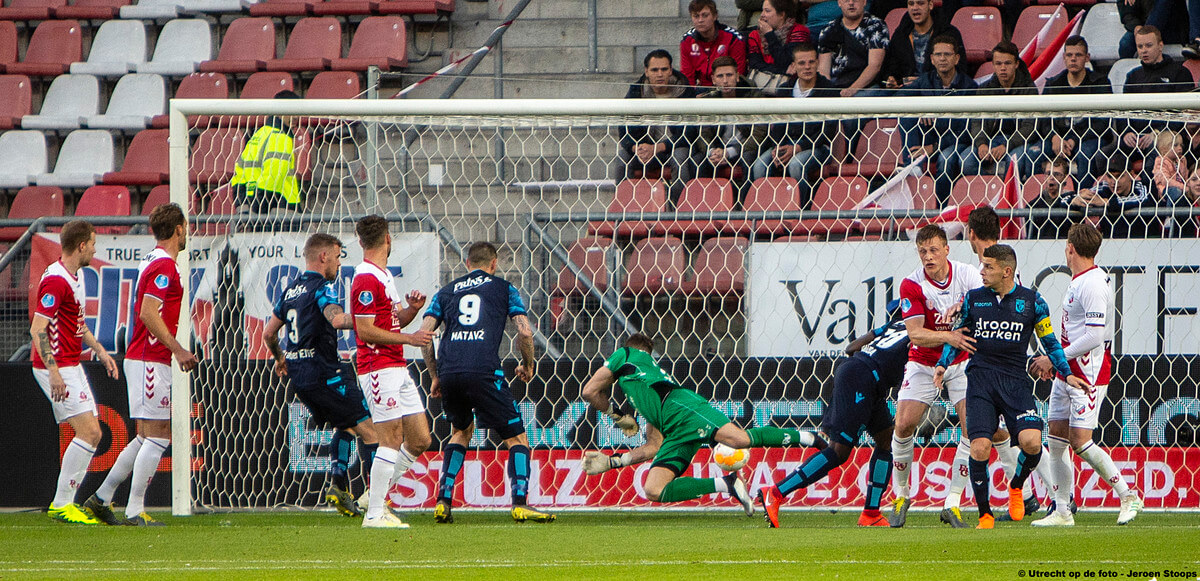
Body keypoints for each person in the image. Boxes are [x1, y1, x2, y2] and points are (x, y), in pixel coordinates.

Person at [933, 244, 1088, 528]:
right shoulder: (973, 299)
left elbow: (1050, 343)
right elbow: (959, 336)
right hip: (980, 380)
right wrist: (943, 363)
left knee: (1031, 443)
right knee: (979, 447)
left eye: (988, 267)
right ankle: (985, 515)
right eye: (982, 266)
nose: (982, 271)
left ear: (1006, 271)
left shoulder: (1032, 302)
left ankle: (1016, 485)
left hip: (1015, 381)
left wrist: (1066, 373)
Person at [580, 334, 826, 512]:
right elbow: (653, 448)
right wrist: (614, 462)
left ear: (633, 351)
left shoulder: (625, 355)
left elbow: (590, 391)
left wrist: (619, 417)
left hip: (682, 407)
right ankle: (727, 484)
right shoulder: (646, 390)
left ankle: (809, 437)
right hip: (675, 430)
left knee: (738, 439)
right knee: (653, 489)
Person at [419, 242, 555, 524]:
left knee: (460, 432)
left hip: (450, 371)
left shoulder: (445, 292)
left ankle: (443, 501)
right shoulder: (504, 288)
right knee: (517, 438)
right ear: (494, 264)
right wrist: (528, 365)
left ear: (466, 263)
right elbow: (525, 332)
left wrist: (435, 375)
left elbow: (424, 334)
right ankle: (520, 503)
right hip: (483, 371)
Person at [84, 203, 199, 527]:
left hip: (145, 357)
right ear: (178, 229)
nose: (187, 232)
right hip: (151, 358)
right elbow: (149, 313)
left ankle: (102, 498)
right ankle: (135, 509)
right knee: (159, 434)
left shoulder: (153, 260)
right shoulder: (164, 266)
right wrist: (177, 349)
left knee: (146, 435)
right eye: (185, 227)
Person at [1030, 223, 1144, 527]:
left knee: (1080, 441)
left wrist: (1053, 358)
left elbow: (1094, 337)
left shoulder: (1092, 284)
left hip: (1089, 373)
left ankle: (1128, 494)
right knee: (1055, 439)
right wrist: (1058, 364)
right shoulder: (1080, 280)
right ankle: (1062, 511)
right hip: (1067, 371)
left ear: (1070, 248)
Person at [758, 301, 908, 528]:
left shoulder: (890, 327)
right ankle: (776, 492)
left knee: (886, 439)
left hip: (864, 376)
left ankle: (871, 513)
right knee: (838, 451)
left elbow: (850, 348)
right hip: (863, 379)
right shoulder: (919, 334)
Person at [262, 233, 378, 517]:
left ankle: (338, 485)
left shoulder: (290, 291)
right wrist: (373, 321)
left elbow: (268, 333)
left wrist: (280, 358)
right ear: (323, 257)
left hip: (300, 377)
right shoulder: (320, 287)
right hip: (326, 372)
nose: (339, 264)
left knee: (346, 425)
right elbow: (336, 319)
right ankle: (378, 500)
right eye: (338, 257)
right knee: (372, 432)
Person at [888, 224, 981, 528]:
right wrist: (950, 337)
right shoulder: (911, 285)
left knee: (972, 428)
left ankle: (952, 503)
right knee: (903, 424)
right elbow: (915, 335)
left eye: (933, 250)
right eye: (922, 251)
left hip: (963, 361)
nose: (927, 257)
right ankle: (901, 494)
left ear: (946, 250)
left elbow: (985, 304)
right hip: (924, 363)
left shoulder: (967, 274)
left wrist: (966, 307)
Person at [30, 221, 119, 525]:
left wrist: (100, 350)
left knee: (92, 433)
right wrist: (54, 372)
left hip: (72, 363)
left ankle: (65, 502)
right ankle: (62, 503)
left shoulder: (75, 275)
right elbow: (37, 328)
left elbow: (76, 325)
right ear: (81, 245)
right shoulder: (55, 281)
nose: (95, 249)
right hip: (55, 365)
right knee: (90, 432)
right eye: (93, 243)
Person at [350, 214, 435, 528]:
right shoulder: (365, 278)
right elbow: (365, 331)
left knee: (420, 439)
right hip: (377, 367)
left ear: (361, 241)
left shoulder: (381, 275)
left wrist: (411, 311)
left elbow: (391, 321)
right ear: (387, 238)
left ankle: (372, 497)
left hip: (396, 365)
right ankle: (374, 513)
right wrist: (410, 339)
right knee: (390, 439)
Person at [956, 206, 1041, 523]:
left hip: (1013, 370)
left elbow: (1024, 316)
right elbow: (967, 324)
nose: (984, 272)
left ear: (970, 233)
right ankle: (989, 510)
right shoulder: (979, 283)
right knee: (987, 441)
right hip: (983, 373)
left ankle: (1047, 496)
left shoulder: (1002, 278)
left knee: (1033, 440)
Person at [750, 43, 838, 206]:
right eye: (802, 63)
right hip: (786, 144)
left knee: (796, 164)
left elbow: (827, 132)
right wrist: (778, 147)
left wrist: (798, 148)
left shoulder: (829, 90)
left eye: (811, 62)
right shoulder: (784, 90)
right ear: (794, 66)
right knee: (759, 165)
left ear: (818, 63)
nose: (807, 67)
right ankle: (764, 213)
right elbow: (778, 125)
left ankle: (799, 210)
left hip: (817, 147)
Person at [896, 34, 976, 204]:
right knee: (907, 112)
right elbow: (901, 96)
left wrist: (934, 147)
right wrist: (922, 107)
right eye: (938, 55)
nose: (942, 59)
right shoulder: (926, 80)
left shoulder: (969, 87)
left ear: (956, 58)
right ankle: (913, 165)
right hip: (928, 139)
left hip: (955, 142)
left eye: (947, 54)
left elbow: (965, 129)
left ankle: (940, 207)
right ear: (931, 59)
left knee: (945, 159)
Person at [1030, 37, 1113, 187]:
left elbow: (1102, 123)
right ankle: (1040, 201)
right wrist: (1054, 136)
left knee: (1085, 154)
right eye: (1069, 55)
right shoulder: (1053, 84)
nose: (1073, 59)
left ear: (1087, 58)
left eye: (1078, 55)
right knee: (1035, 153)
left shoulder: (1100, 83)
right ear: (1064, 57)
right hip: (1059, 138)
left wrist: (1075, 138)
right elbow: (1043, 119)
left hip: (1089, 138)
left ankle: (1084, 199)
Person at [617, 50, 697, 187]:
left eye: (664, 69)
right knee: (622, 157)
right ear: (646, 71)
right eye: (654, 70)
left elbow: (690, 132)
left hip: (674, 147)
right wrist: (637, 148)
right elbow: (624, 130)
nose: (660, 74)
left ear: (671, 70)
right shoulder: (636, 92)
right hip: (645, 149)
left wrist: (659, 147)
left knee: (680, 157)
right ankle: (625, 205)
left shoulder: (685, 91)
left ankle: (679, 206)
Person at [961, 41, 1038, 179]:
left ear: (1016, 64)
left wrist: (1006, 146)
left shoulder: (1029, 89)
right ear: (993, 65)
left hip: (1017, 142)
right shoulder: (985, 89)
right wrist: (981, 143)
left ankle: (1007, 198)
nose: (1003, 68)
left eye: (1007, 63)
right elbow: (977, 122)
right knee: (966, 161)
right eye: (998, 63)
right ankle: (988, 194)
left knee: (1015, 162)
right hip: (990, 139)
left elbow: (1029, 127)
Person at [692, 56, 763, 188]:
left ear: (737, 76)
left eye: (729, 75)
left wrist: (731, 152)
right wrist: (711, 151)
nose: (725, 81)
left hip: (744, 149)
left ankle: (745, 204)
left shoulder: (754, 97)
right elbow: (703, 134)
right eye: (720, 76)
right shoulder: (709, 100)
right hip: (718, 149)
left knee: (748, 159)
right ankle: (703, 204)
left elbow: (758, 135)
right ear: (713, 79)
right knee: (697, 161)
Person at [230, 90, 302, 214]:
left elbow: (239, 174)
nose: (296, 117)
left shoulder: (258, 134)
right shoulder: (281, 137)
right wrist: (260, 211)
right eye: (292, 112)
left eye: (298, 112)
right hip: (279, 211)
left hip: (250, 205)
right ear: (278, 112)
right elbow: (272, 178)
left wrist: (244, 207)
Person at [1073, 154, 1165, 238]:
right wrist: (1075, 200)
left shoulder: (1141, 187)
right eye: (1109, 176)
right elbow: (1069, 199)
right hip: (1112, 244)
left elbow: (1142, 199)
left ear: (1131, 174)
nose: (1114, 182)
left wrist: (1106, 202)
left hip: (1145, 242)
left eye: (1119, 176)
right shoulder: (1104, 187)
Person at [880, 0, 965, 91]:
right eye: (911, 4)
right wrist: (891, 80)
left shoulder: (949, 33)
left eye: (920, 3)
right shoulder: (900, 34)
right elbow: (891, 66)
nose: (915, 8)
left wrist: (922, 82)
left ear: (930, 5)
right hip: (905, 90)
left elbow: (960, 70)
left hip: (937, 91)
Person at [817, 0, 888, 97]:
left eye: (855, 0)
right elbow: (823, 70)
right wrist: (828, 92)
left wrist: (852, 90)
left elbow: (874, 66)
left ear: (864, 2)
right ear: (839, 3)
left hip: (867, 87)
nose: (851, 3)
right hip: (835, 85)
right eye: (846, 0)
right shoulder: (828, 29)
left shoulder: (876, 26)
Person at [681, 0, 747, 87]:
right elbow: (687, 77)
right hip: (700, 91)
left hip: (728, 89)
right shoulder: (687, 40)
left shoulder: (733, 38)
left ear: (715, 16)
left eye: (705, 15)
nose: (700, 20)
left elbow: (739, 75)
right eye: (696, 16)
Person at [747, 0, 811, 76]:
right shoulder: (755, 35)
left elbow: (785, 61)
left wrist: (769, 35)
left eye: (767, 11)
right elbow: (755, 64)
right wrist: (782, 71)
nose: (762, 15)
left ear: (781, 15)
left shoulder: (799, 31)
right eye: (762, 10)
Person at [1025, 157, 1082, 240]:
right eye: (1048, 173)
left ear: (1065, 178)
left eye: (1056, 174)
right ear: (1044, 177)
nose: (1051, 177)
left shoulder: (1074, 202)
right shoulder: (1032, 206)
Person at [1152, 129, 1188, 204]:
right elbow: (1166, 181)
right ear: (1164, 149)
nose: (1180, 148)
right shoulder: (1160, 161)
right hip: (1166, 189)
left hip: (1182, 187)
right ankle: (1170, 214)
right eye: (1175, 145)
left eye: (1181, 145)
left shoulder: (1182, 160)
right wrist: (1183, 187)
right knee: (1176, 191)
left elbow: (1185, 176)